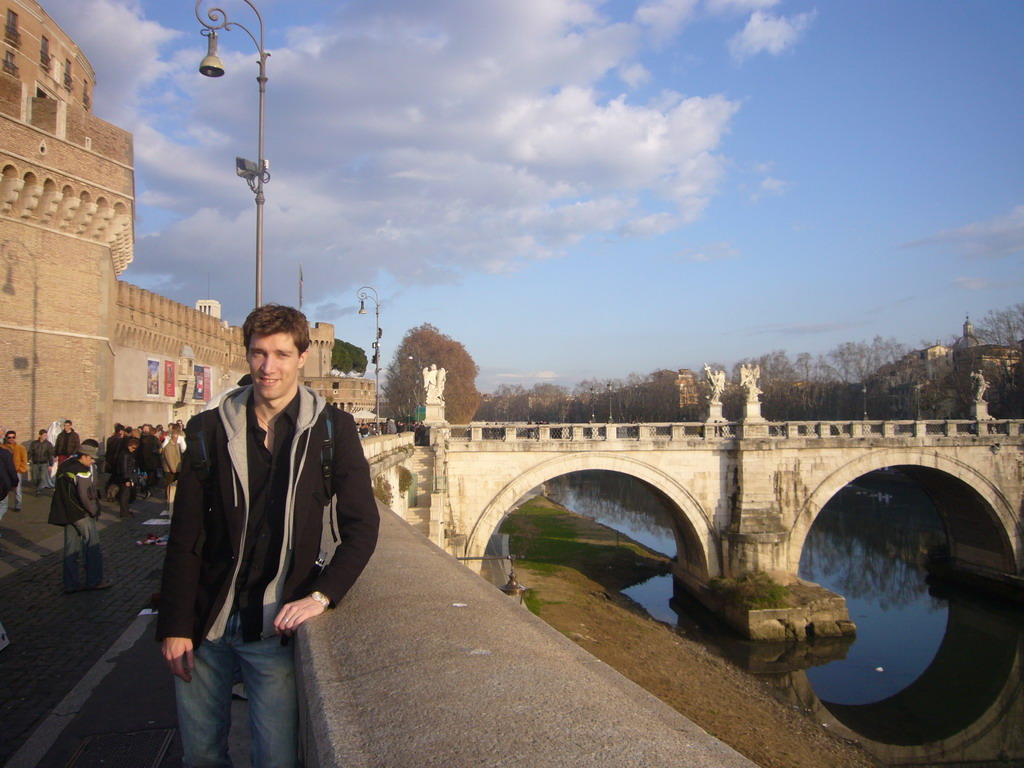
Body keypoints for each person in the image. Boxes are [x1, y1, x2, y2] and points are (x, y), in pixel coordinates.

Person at [157, 304, 379, 767]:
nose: (268, 367)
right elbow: (185, 537)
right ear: (247, 356)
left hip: (273, 623)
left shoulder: (333, 431)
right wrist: (175, 625)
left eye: (280, 354)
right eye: (258, 353)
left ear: (302, 357)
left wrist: (322, 596)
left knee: (276, 758)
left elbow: (362, 526)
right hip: (205, 621)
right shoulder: (207, 430)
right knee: (200, 756)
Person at [47, 440, 112, 593]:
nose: (93, 461)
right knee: (92, 546)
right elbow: (86, 496)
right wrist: (93, 511)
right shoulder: (82, 471)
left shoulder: (65, 466)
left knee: (70, 550)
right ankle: (94, 580)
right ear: (84, 457)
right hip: (80, 513)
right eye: (91, 458)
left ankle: (71, 584)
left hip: (66, 512)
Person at [2, 431, 28, 511]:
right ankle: (3, 504)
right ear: (6, 438)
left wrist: (21, 470)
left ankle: (18, 505)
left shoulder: (20, 448)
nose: (11, 439)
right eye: (9, 437)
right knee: (4, 488)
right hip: (5, 472)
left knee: (17, 489)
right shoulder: (2, 448)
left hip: (16, 471)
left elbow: (24, 460)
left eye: (13, 437)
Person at [114, 437, 139, 518]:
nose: (134, 449)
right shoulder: (125, 454)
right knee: (125, 495)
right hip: (125, 477)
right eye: (133, 447)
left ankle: (126, 511)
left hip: (128, 475)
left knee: (127, 495)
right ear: (129, 446)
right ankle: (124, 513)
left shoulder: (128, 453)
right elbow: (124, 467)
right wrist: (126, 479)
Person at [28, 429, 55, 494]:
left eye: (46, 435)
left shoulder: (48, 444)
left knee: (43, 478)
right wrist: (27, 460)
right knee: (35, 478)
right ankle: (38, 487)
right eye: (44, 435)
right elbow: (30, 452)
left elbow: (50, 454)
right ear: (40, 435)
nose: (45, 437)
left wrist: (51, 464)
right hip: (35, 462)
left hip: (44, 463)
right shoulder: (34, 443)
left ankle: (38, 490)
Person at [0, 444, 17, 534]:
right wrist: (15, 483)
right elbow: (11, 469)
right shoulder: (5, 453)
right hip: (2, 486)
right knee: (3, 505)